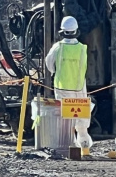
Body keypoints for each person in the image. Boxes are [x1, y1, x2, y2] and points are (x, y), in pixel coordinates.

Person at [45, 16, 93, 156]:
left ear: (62, 31)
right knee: (81, 115)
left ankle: (67, 146)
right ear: (76, 31)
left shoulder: (58, 47)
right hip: (79, 87)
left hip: (62, 86)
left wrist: (56, 72)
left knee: (65, 118)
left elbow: (49, 63)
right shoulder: (82, 48)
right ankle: (84, 146)